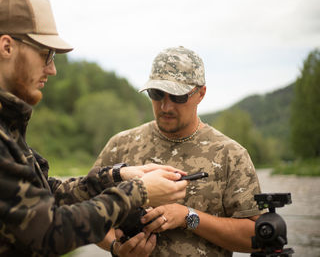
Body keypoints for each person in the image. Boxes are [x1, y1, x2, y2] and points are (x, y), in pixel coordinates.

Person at [0, 0, 189, 256]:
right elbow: (47, 232)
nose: (52, 69)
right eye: (46, 54)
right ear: (6, 47)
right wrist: (138, 192)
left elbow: (46, 193)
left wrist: (118, 177)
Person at [92, 46, 263, 257]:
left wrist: (189, 217)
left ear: (201, 93)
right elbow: (88, 215)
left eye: (178, 96)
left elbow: (257, 237)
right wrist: (116, 248)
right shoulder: (121, 145)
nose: (165, 106)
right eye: (156, 94)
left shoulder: (230, 155)